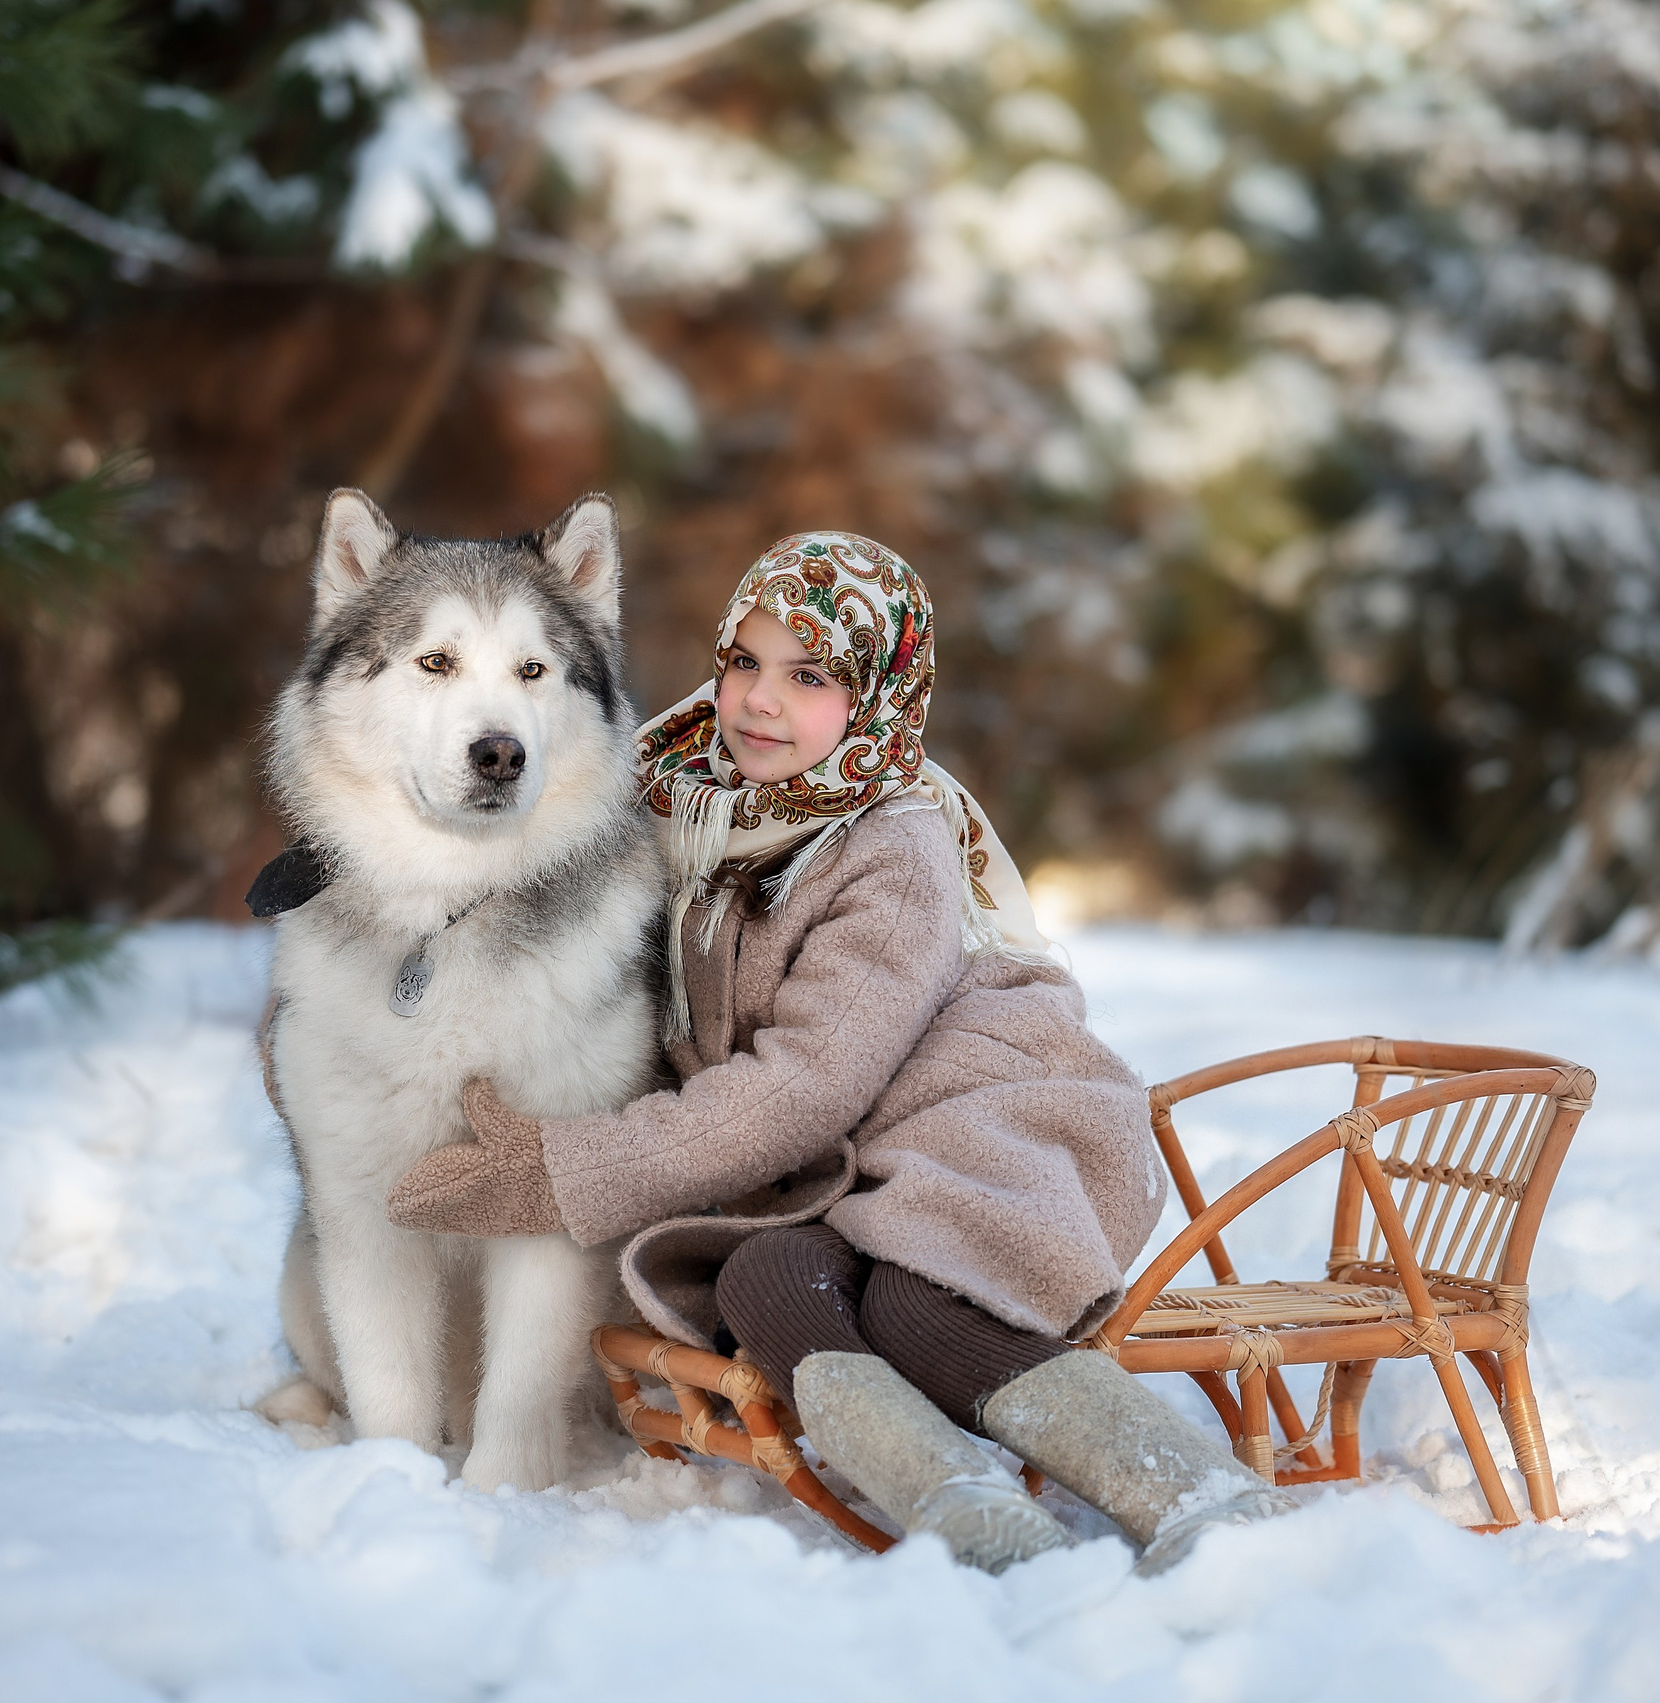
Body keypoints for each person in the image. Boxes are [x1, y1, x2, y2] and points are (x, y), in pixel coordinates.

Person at [386, 531, 1283, 1572]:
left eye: (809, 675)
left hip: (987, 1120)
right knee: (763, 1281)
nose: (761, 700)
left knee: (913, 1296)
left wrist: (568, 1165)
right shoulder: (690, 798)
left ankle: (1196, 1492)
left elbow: (798, 1088)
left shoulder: (888, 847)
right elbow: (505, 879)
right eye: (744, 662)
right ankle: (964, 1508)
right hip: (842, 1163)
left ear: (877, 696)